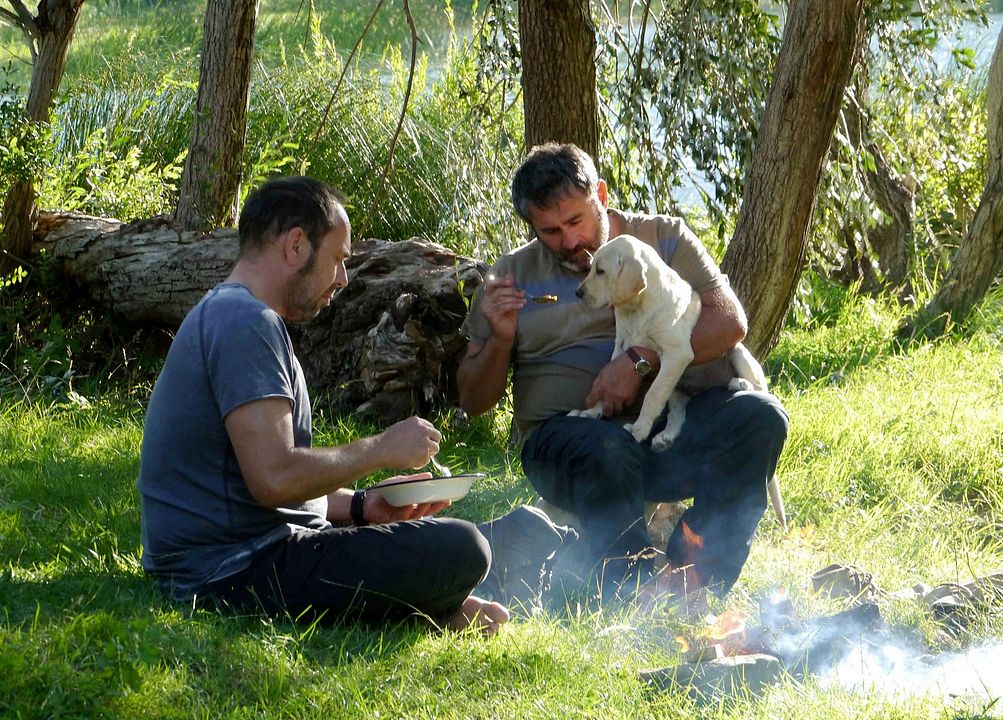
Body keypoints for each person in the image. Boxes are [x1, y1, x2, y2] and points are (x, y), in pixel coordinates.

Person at [137, 175, 509, 634]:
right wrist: (382, 448)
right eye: (337, 258)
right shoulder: (244, 322)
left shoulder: (240, 315)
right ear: (296, 246)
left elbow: (261, 480)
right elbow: (274, 477)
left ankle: (427, 609)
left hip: (242, 554)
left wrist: (360, 506)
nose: (343, 279)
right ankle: (426, 612)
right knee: (463, 547)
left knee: (471, 538)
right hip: (228, 571)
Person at [457, 143, 788, 602]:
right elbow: (473, 400)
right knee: (610, 447)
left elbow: (730, 322)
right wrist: (499, 338)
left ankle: (696, 580)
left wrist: (639, 362)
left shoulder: (663, 237)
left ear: (602, 195)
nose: (569, 241)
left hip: (668, 428)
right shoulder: (512, 274)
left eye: (576, 221)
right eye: (549, 231)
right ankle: (629, 593)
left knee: (760, 415)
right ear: (531, 225)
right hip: (567, 445)